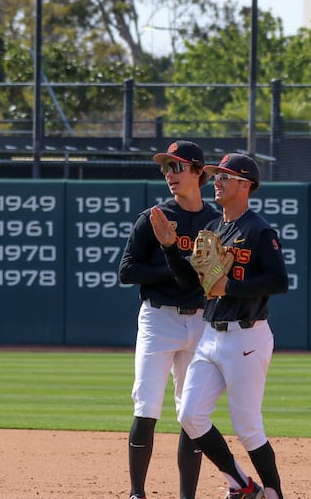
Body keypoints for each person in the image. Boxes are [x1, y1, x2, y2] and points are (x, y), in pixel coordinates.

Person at [154, 153, 289, 499]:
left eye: (225, 176)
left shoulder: (259, 230)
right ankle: (241, 484)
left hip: (247, 336)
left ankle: (274, 493)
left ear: (245, 186)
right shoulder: (214, 228)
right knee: (190, 414)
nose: (217, 181)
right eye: (216, 175)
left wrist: (230, 286)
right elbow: (191, 282)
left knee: (247, 426)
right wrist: (170, 247)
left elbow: (278, 280)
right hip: (212, 334)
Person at [118, 140, 221, 499]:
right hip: (158, 320)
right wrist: (176, 264)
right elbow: (126, 270)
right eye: (166, 168)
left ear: (199, 173)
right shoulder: (154, 217)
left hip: (200, 322)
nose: (169, 174)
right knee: (146, 405)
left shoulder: (217, 220)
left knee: (191, 412)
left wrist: (197, 271)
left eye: (177, 166)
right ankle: (136, 493)